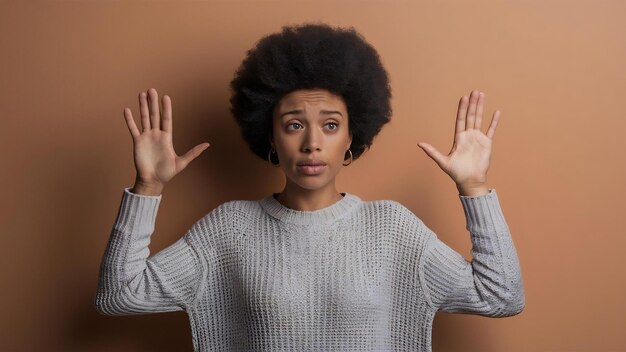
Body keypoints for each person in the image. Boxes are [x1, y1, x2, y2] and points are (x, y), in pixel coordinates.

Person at [95, 23, 524, 351]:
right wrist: (147, 186)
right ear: (270, 136)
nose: (312, 142)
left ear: (352, 137)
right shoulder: (229, 230)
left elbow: (501, 296)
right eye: (294, 124)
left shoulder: (391, 229)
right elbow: (118, 296)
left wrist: (475, 187)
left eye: (331, 125)